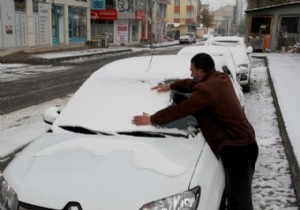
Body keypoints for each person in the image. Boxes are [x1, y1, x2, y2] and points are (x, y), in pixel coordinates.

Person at [132, 53, 259, 210]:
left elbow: (180, 110)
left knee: (239, 202)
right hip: (245, 143)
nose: (190, 73)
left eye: (192, 70)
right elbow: (191, 84)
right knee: (237, 196)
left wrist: (152, 119)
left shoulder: (206, 91)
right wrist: (171, 86)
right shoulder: (218, 78)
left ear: (201, 71)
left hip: (237, 150)